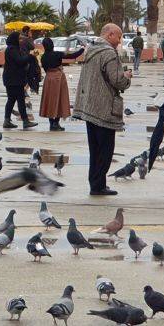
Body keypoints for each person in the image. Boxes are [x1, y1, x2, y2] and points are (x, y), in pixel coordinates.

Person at [72, 23, 131, 196]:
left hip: (89, 106)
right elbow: (117, 81)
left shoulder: (91, 49)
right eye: (118, 37)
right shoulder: (108, 53)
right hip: (104, 108)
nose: (119, 42)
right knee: (105, 150)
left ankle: (96, 184)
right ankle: (98, 186)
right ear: (110, 34)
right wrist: (126, 77)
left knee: (94, 149)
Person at [39, 37, 85, 131]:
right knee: (60, 99)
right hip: (58, 78)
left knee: (50, 101)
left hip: (48, 79)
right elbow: (72, 56)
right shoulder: (57, 54)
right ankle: (56, 123)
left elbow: (45, 68)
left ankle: (52, 123)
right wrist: (82, 49)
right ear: (52, 45)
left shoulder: (43, 57)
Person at [2, 31, 37, 129]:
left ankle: (8, 120)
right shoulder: (12, 49)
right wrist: (30, 56)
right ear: (15, 40)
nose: (21, 41)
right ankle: (25, 121)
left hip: (13, 79)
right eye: (19, 39)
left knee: (13, 100)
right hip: (13, 79)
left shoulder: (14, 49)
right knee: (18, 100)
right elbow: (19, 61)